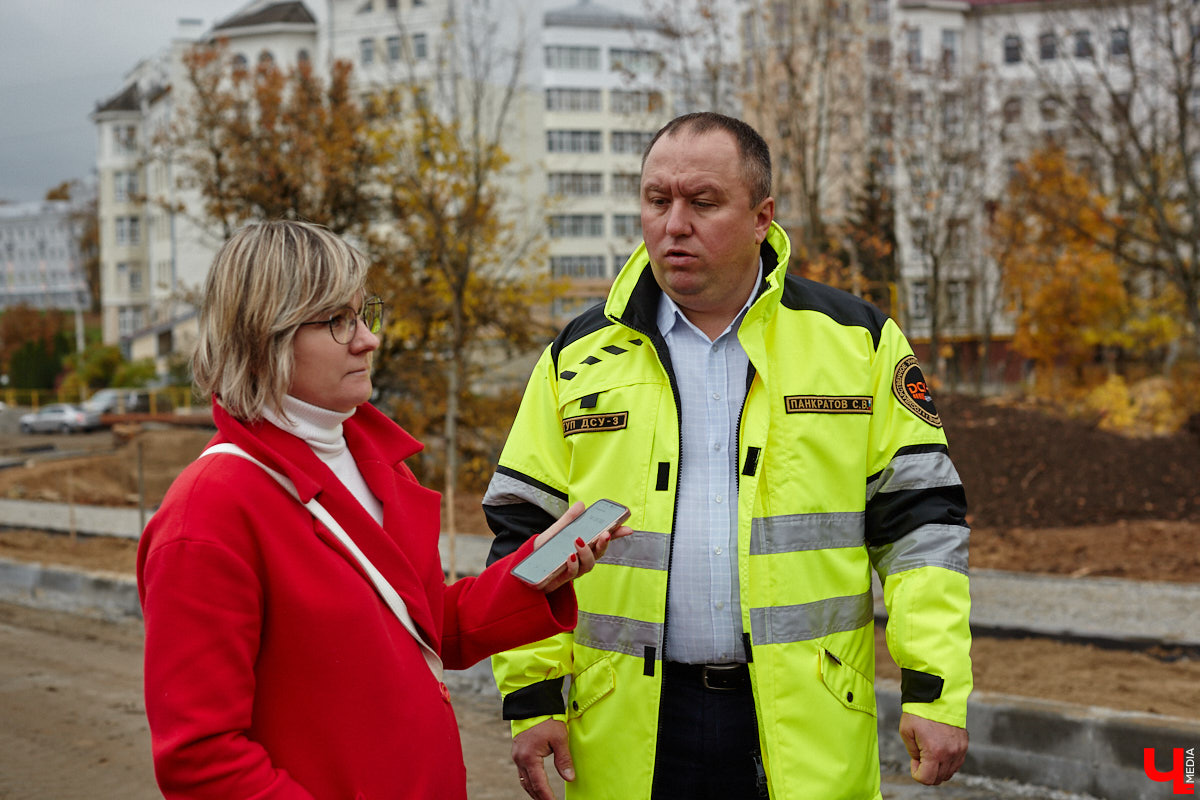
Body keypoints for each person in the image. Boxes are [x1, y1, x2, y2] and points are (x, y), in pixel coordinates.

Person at [483, 112, 972, 800]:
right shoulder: (578, 356)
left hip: (804, 723)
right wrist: (532, 699)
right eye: (658, 200)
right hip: (629, 726)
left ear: (761, 217)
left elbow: (924, 528)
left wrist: (935, 690)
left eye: (703, 203)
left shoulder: (857, 343)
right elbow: (523, 532)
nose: (673, 224)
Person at [137, 220, 630, 800]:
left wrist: (535, 573)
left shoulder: (376, 462)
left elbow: (419, 625)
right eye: (338, 322)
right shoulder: (208, 513)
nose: (368, 340)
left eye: (363, 313)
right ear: (264, 335)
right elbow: (202, 761)